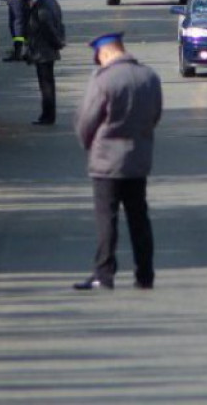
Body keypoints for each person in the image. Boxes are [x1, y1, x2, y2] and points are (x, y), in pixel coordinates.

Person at [73, 33, 163, 292]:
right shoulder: (149, 76)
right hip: (138, 157)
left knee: (106, 218)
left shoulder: (104, 80)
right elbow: (155, 113)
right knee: (139, 217)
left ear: (105, 54)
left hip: (106, 161)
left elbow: (87, 119)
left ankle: (104, 273)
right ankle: (145, 275)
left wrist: (87, 142)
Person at [27, 0, 66, 126]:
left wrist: (56, 42)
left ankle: (48, 115)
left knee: (46, 84)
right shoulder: (51, 1)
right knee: (47, 83)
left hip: (44, 49)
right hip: (47, 47)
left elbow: (47, 26)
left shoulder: (43, 4)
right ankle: (47, 114)